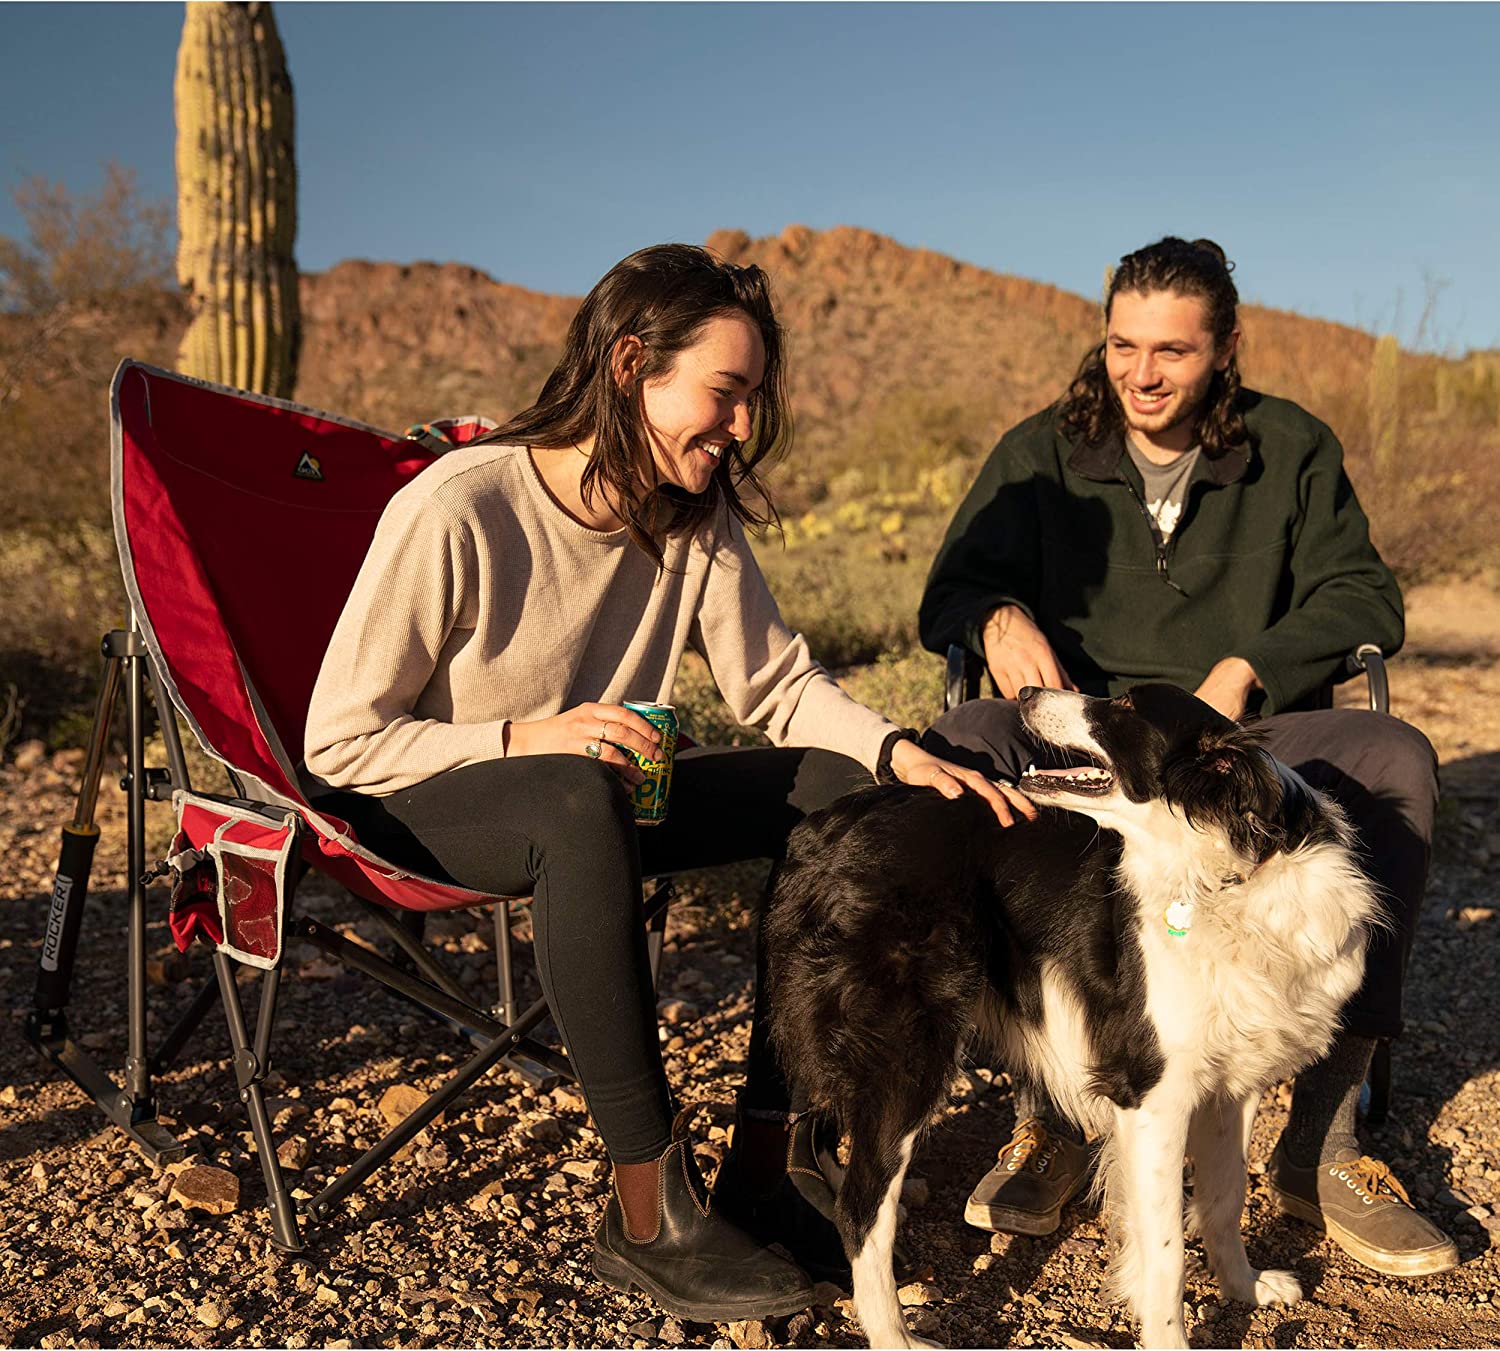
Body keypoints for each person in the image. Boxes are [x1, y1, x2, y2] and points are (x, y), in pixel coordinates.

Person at [303, 244, 1031, 1321]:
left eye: (750, 402)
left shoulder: (693, 514)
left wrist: (894, 753)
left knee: (836, 784)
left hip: (596, 802)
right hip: (435, 801)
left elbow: (777, 683)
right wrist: (525, 736)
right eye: (724, 395)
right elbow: (340, 741)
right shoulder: (463, 507)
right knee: (571, 789)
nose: (740, 427)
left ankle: (771, 1155)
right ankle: (646, 1205)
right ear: (631, 363)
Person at [918, 237, 1455, 1278]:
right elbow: (953, 584)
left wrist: (1251, 663)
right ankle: (1058, 1110)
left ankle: (1322, 1140)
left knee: (1395, 758)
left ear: (1225, 349)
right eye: (1122, 344)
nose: (1141, 372)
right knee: (956, 744)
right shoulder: (1040, 454)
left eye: (1171, 349)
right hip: (1085, 732)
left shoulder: (1290, 448)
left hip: (1239, 740)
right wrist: (991, 617)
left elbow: (1364, 597)